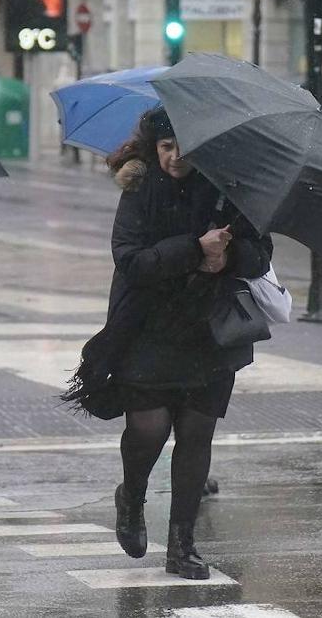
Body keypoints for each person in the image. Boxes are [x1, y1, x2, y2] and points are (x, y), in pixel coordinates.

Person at [62, 108, 273, 580]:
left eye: (185, 147)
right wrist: (195, 250)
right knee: (149, 432)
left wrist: (228, 257)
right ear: (153, 147)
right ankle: (131, 497)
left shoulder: (229, 192)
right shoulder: (138, 190)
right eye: (166, 147)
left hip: (209, 331)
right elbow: (131, 261)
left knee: (196, 435)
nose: (176, 157)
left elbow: (259, 255)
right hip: (149, 330)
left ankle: (182, 546)